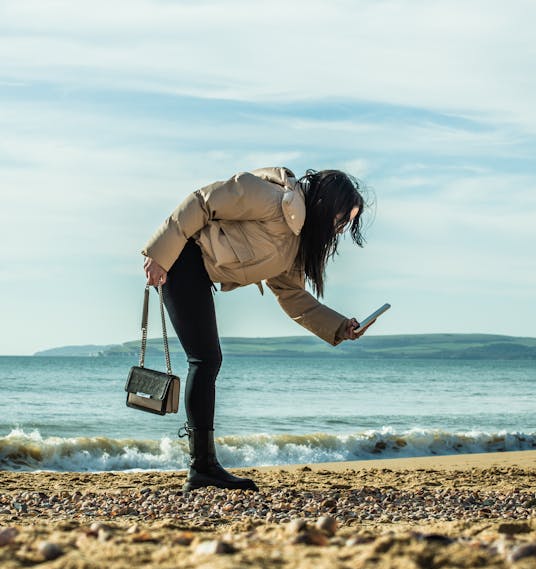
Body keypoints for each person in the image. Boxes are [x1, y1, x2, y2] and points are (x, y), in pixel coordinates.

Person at [141, 167, 370, 492]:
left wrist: (339, 327)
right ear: (326, 203)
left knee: (206, 361)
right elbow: (202, 202)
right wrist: (159, 253)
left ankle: (203, 466)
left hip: (197, 274)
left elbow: (292, 296)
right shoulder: (270, 199)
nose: (341, 228)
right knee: (206, 361)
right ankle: (202, 468)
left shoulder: (294, 242)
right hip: (181, 260)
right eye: (342, 218)